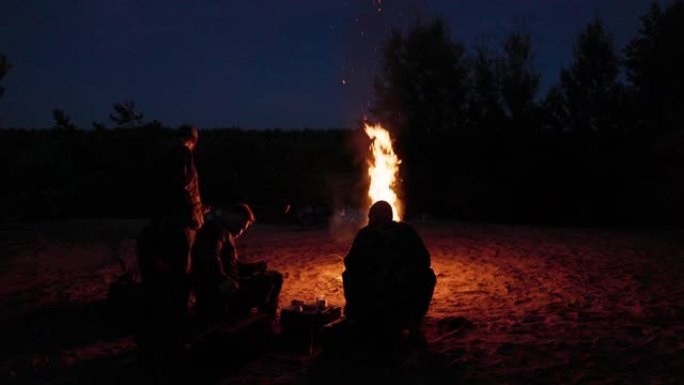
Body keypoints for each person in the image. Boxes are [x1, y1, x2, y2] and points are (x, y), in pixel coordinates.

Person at [342, 200, 436, 341]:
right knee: (349, 276)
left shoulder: (402, 232)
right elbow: (351, 262)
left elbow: (423, 259)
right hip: (380, 291)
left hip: (398, 290)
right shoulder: (366, 235)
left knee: (427, 276)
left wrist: (402, 272)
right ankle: (365, 319)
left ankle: (409, 321)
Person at [191, 203, 283, 322]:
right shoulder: (214, 231)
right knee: (266, 285)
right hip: (219, 290)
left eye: (243, 229)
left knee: (275, 277)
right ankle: (251, 316)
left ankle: (267, 316)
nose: (240, 231)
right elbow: (210, 258)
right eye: (239, 225)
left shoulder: (226, 234)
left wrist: (255, 267)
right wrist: (222, 280)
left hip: (231, 282)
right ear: (231, 216)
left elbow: (233, 266)